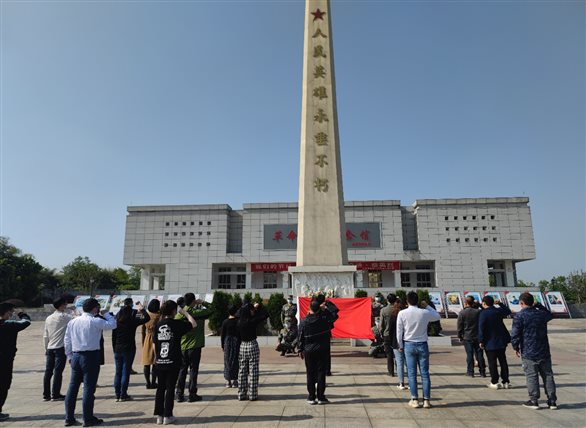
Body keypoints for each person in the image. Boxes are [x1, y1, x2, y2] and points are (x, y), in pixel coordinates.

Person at [64, 298, 116, 427]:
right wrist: (106, 314)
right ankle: (88, 418)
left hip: (76, 355)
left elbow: (67, 340)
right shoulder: (95, 321)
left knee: (73, 387)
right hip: (90, 356)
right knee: (88, 388)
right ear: (94, 308)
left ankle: (69, 418)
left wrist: (69, 355)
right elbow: (113, 324)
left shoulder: (73, 321)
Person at [153, 300, 197, 425]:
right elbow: (193, 324)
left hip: (160, 360)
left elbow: (154, 343)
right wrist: (184, 312)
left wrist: (156, 358)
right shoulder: (176, 324)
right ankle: (168, 415)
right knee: (170, 388)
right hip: (173, 360)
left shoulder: (158, 325)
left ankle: (159, 415)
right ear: (174, 311)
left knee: (160, 388)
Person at [511, 292, 557, 410]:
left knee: (531, 376)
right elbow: (550, 315)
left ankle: (534, 400)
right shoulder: (541, 314)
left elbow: (515, 334)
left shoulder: (519, 316)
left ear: (521, 302)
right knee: (548, 375)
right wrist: (539, 305)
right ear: (533, 302)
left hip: (528, 351)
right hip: (543, 350)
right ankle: (552, 401)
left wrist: (515, 347)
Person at [397, 291, 441, 409]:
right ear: (418, 301)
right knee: (425, 373)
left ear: (407, 301)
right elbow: (437, 316)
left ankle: (414, 399)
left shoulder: (402, 313)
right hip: (422, 344)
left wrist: (400, 345)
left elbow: (399, 331)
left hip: (409, 344)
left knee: (411, 373)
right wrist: (427, 306)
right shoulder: (424, 312)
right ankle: (426, 400)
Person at [298, 298, 339, 405]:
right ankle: (321, 397)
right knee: (321, 373)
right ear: (319, 308)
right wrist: (328, 305)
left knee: (310, 373)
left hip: (309, 349)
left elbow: (300, 336)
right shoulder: (324, 319)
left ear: (309, 308)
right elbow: (335, 314)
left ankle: (311, 396)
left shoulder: (304, 321)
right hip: (322, 349)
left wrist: (300, 349)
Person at [175, 293, 213, 403]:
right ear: (193, 301)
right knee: (193, 370)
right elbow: (212, 309)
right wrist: (203, 302)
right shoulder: (198, 313)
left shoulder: (179, 315)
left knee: (182, 371)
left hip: (182, 346)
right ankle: (192, 394)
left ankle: (179, 394)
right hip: (195, 346)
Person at [112, 298, 150, 401]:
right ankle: (123, 394)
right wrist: (142, 309)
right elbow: (147, 318)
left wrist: (114, 348)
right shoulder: (132, 320)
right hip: (129, 348)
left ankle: (117, 394)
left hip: (118, 348)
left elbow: (113, 337)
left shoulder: (116, 321)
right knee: (126, 371)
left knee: (118, 372)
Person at [0, 302, 31, 422]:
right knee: (4, 385)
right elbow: (26, 322)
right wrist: (21, 313)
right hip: (5, 360)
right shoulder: (9, 324)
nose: (12, 314)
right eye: (11, 312)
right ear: (7, 312)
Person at [236, 300, 269, 401]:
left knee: (242, 371)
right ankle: (252, 394)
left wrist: (247, 307)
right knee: (253, 370)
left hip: (242, 346)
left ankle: (241, 394)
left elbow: (239, 312)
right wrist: (258, 307)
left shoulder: (239, 321)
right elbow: (265, 314)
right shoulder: (252, 321)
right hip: (252, 344)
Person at [478, 295, 512, 390]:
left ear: (484, 303)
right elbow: (508, 311)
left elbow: (481, 327)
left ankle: (494, 382)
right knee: (503, 361)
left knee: (492, 362)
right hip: (501, 340)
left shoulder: (483, 313)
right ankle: (505, 381)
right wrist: (500, 304)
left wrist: (481, 340)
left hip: (489, 341)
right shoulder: (498, 311)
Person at [43, 297, 73, 402]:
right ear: (61, 305)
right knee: (58, 372)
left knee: (48, 371)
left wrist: (46, 348)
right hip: (60, 348)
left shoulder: (49, 318)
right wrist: (74, 310)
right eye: (65, 304)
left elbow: (45, 335)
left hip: (50, 347)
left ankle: (46, 395)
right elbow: (77, 319)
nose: (66, 306)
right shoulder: (65, 317)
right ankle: (55, 394)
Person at [457, 296, 486, 378]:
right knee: (479, 354)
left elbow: (459, 326)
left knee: (469, 355)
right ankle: (482, 372)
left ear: (465, 303)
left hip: (467, 336)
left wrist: (459, 336)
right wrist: (479, 304)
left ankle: (470, 372)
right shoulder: (478, 312)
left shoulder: (462, 313)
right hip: (478, 336)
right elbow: (485, 311)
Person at [314, 294, 338, 376]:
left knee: (322, 353)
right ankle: (326, 370)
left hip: (321, 333)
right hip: (323, 333)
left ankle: (324, 370)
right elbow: (335, 315)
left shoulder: (324, 307)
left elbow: (334, 316)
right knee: (325, 353)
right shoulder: (319, 308)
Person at [142, 299, 161, 389]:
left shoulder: (146, 315)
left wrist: (143, 342)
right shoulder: (159, 316)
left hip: (147, 338)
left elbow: (142, 330)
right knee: (155, 362)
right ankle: (153, 382)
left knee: (146, 362)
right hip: (156, 338)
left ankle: (147, 382)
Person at [221, 305, 241, 388]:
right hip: (236, 342)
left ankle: (228, 381)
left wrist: (222, 345)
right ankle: (235, 380)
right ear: (235, 312)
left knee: (227, 361)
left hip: (227, 342)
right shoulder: (238, 321)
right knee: (236, 360)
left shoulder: (225, 322)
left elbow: (222, 335)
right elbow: (240, 333)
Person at [380, 293, 397, 377]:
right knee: (398, 353)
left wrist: (381, 332)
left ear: (387, 300)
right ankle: (399, 369)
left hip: (387, 333)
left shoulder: (383, 310)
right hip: (397, 334)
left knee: (389, 354)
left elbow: (381, 324)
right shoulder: (398, 309)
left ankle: (391, 371)